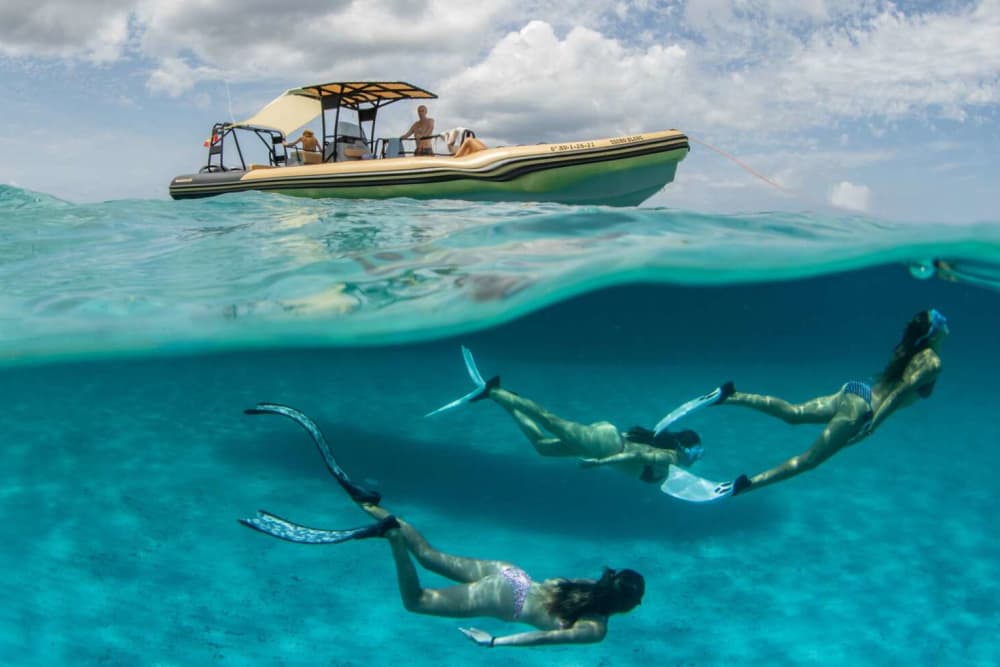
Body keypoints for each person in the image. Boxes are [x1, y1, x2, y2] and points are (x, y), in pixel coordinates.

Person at [239, 402, 645, 648]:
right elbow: (547, 638)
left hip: (512, 575)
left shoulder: (582, 587)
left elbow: (556, 604)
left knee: (430, 556)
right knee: (416, 602)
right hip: (511, 603)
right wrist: (496, 644)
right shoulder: (595, 628)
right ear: (626, 606)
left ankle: (376, 508)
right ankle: (391, 537)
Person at [659, 309, 949, 502]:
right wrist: (872, 426)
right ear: (934, 332)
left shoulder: (910, 351)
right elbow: (898, 393)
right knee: (808, 461)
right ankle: (745, 485)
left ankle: (730, 396)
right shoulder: (931, 362)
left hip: (855, 390)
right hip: (864, 409)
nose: (947, 324)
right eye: (942, 321)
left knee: (793, 413)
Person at [426, 347, 709, 486]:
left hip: (606, 436)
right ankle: (497, 391)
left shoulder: (666, 455)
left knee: (543, 448)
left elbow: (640, 455)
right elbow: (637, 458)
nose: (694, 460)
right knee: (551, 421)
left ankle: (501, 399)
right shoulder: (670, 458)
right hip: (605, 446)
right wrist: (601, 462)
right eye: (695, 454)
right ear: (681, 449)